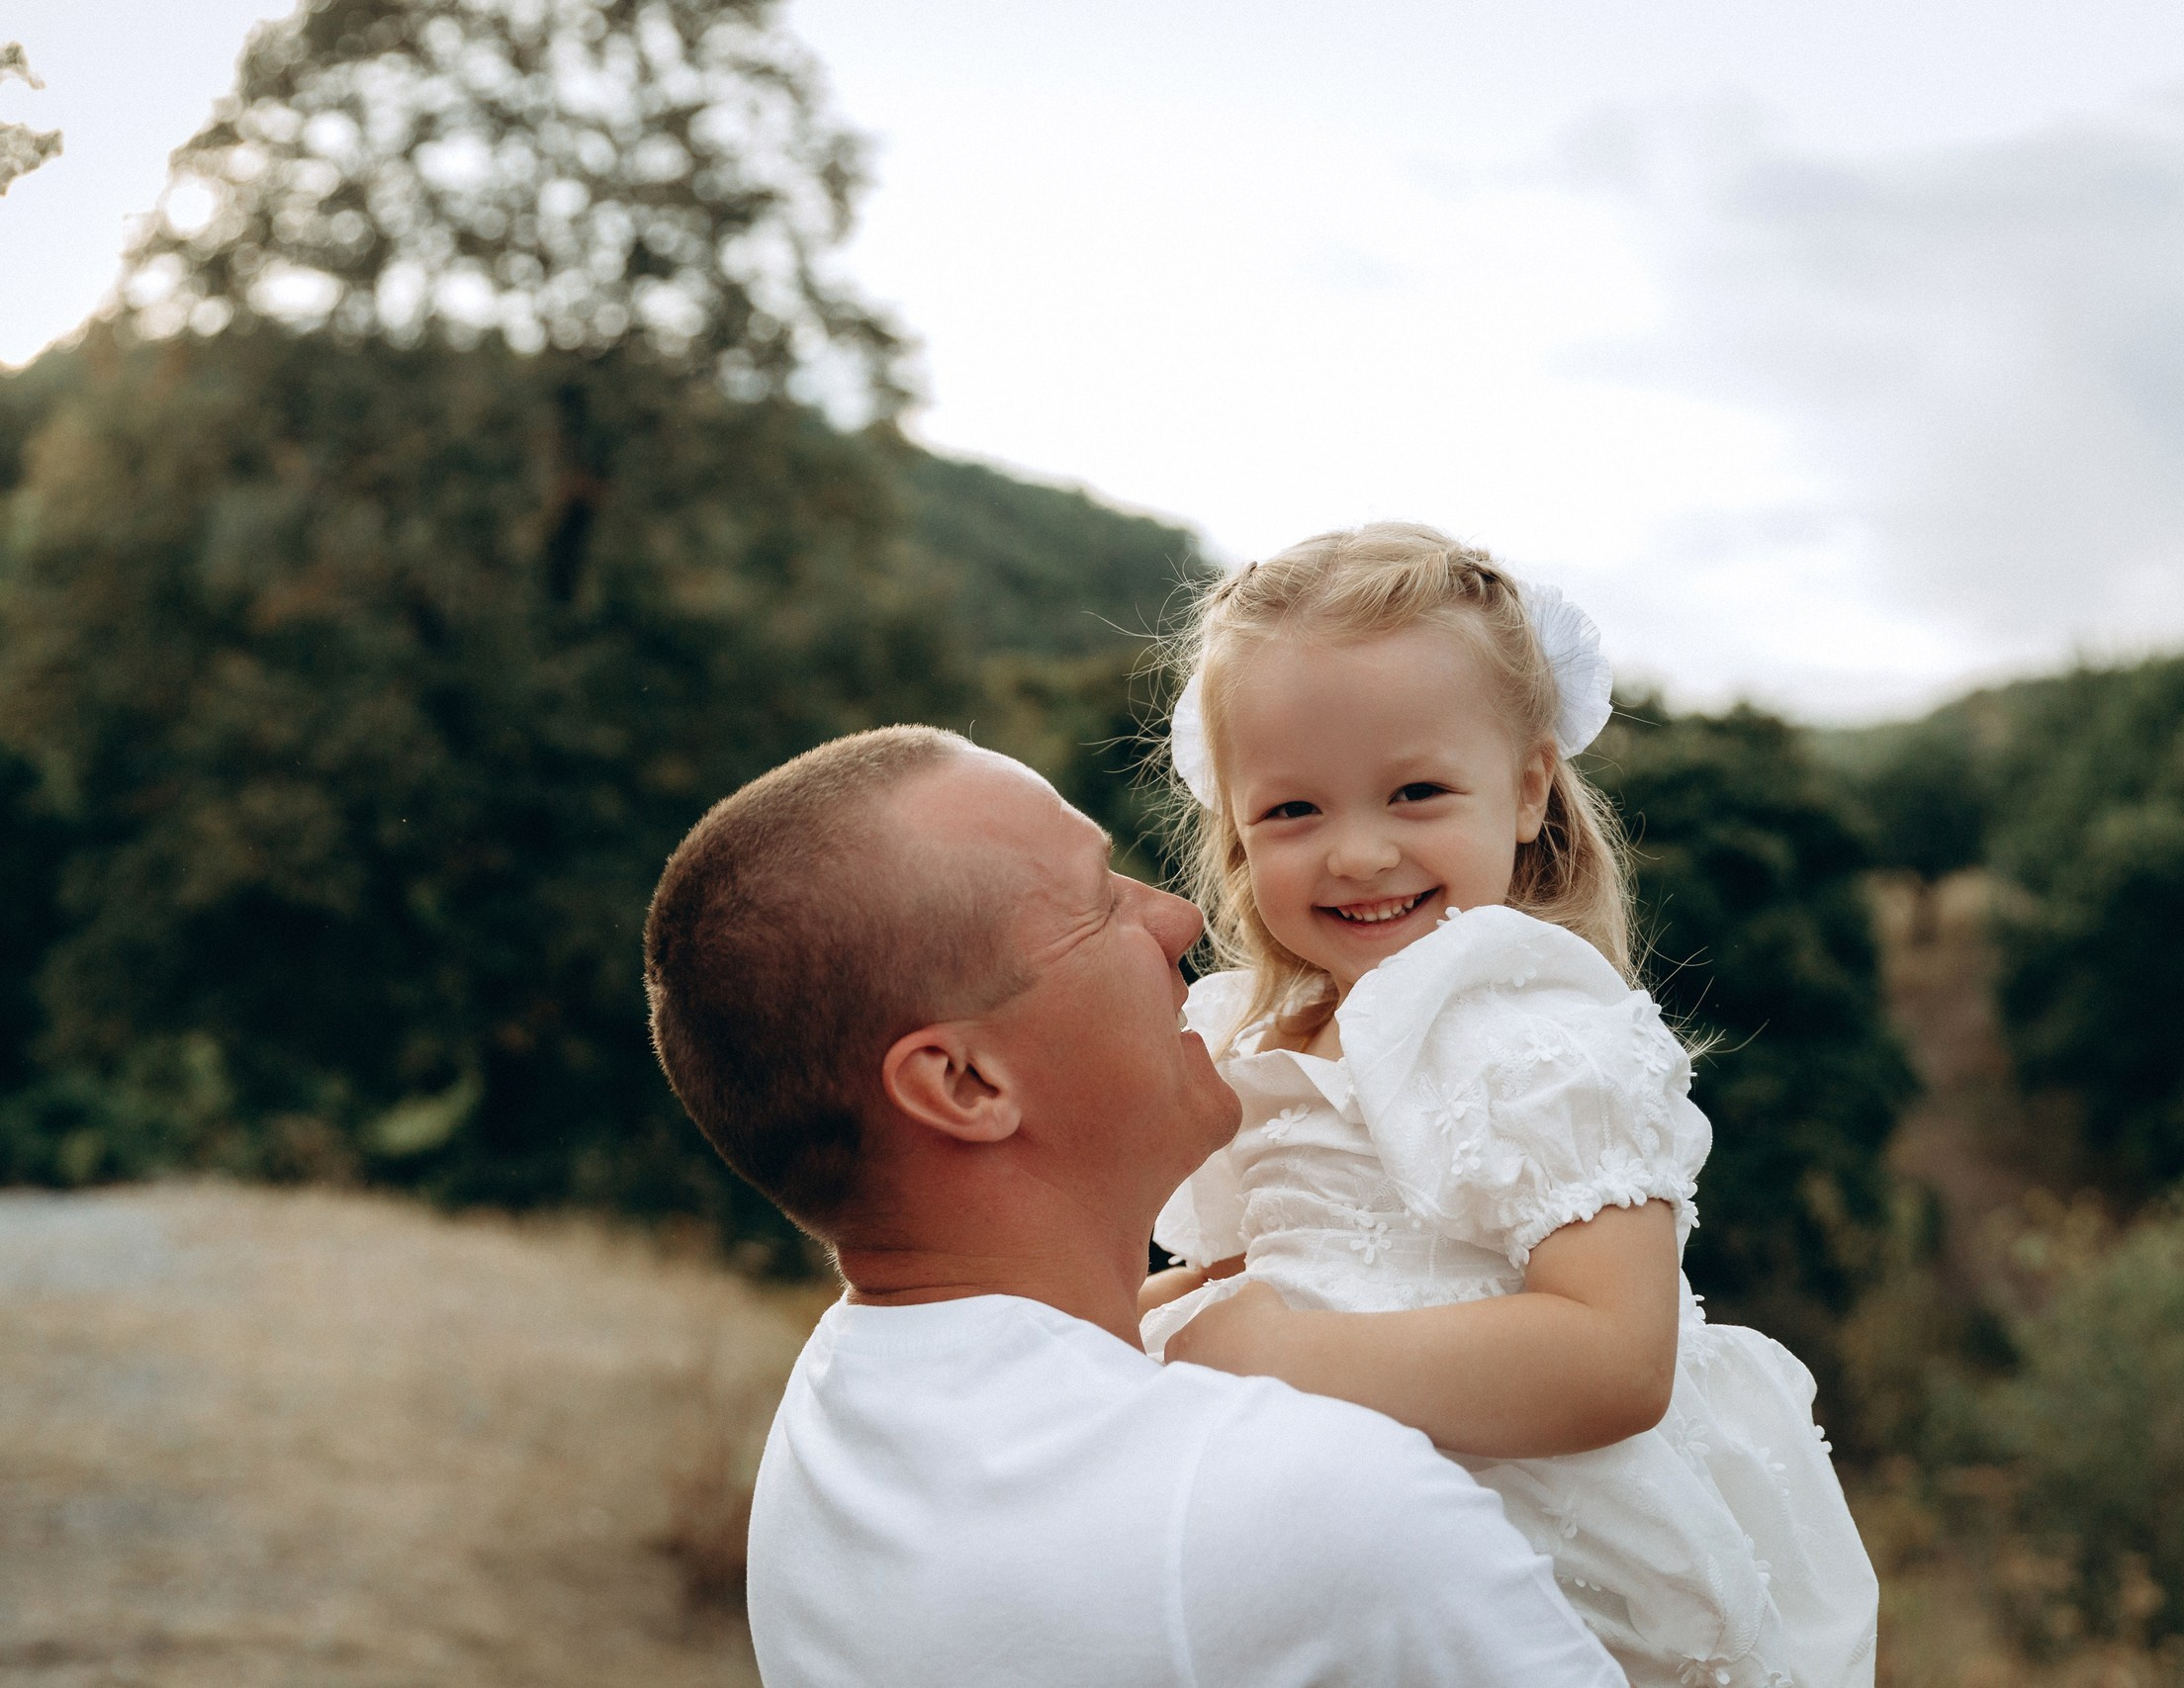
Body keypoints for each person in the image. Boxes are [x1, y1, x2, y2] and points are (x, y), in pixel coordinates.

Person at [644, 726, 1625, 1688]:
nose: (1175, 919)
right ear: (964, 1084)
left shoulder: (829, 1425)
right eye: (1095, 901)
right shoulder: (1320, 1511)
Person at [1138, 523, 1878, 1688]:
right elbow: (1285, 1261)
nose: (1359, 852)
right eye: (1292, 812)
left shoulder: (1527, 1029)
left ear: (1529, 787)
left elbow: (1612, 1361)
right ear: (1231, 818)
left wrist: (1278, 1353)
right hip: (1347, 1539)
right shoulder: (1263, 1035)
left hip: (1544, 1560)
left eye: (1417, 792)